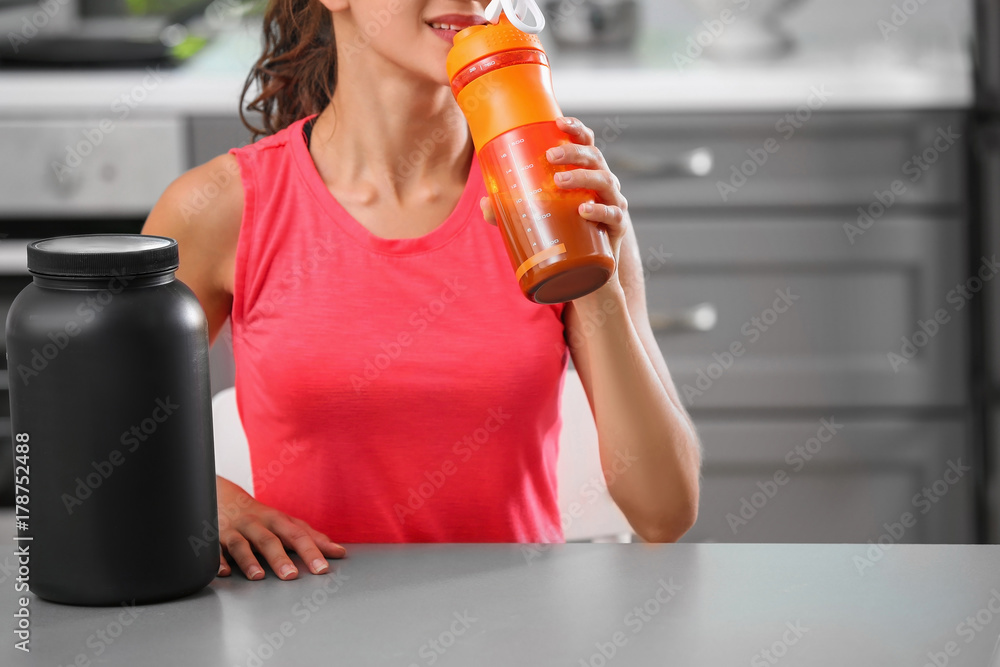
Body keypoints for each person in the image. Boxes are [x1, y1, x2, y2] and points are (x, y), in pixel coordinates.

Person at [143, 0, 701, 582]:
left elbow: (664, 514)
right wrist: (206, 498)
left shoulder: (555, 204)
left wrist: (595, 281)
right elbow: (109, 435)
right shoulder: (219, 209)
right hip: (306, 625)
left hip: (519, 628)